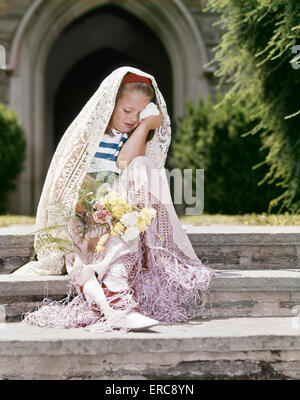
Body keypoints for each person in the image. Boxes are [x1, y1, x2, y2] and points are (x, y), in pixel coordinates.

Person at [12, 66, 216, 332]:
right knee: (120, 217)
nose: (132, 119)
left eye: (139, 113)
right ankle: (117, 302)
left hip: (116, 212)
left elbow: (127, 162)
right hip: (85, 214)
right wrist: (97, 205)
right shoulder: (88, 135)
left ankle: (118, 295)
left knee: (142, 167)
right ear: (111, 104)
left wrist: (144, 126)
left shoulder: (128, 137)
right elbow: (67, 185)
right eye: (127, 111)